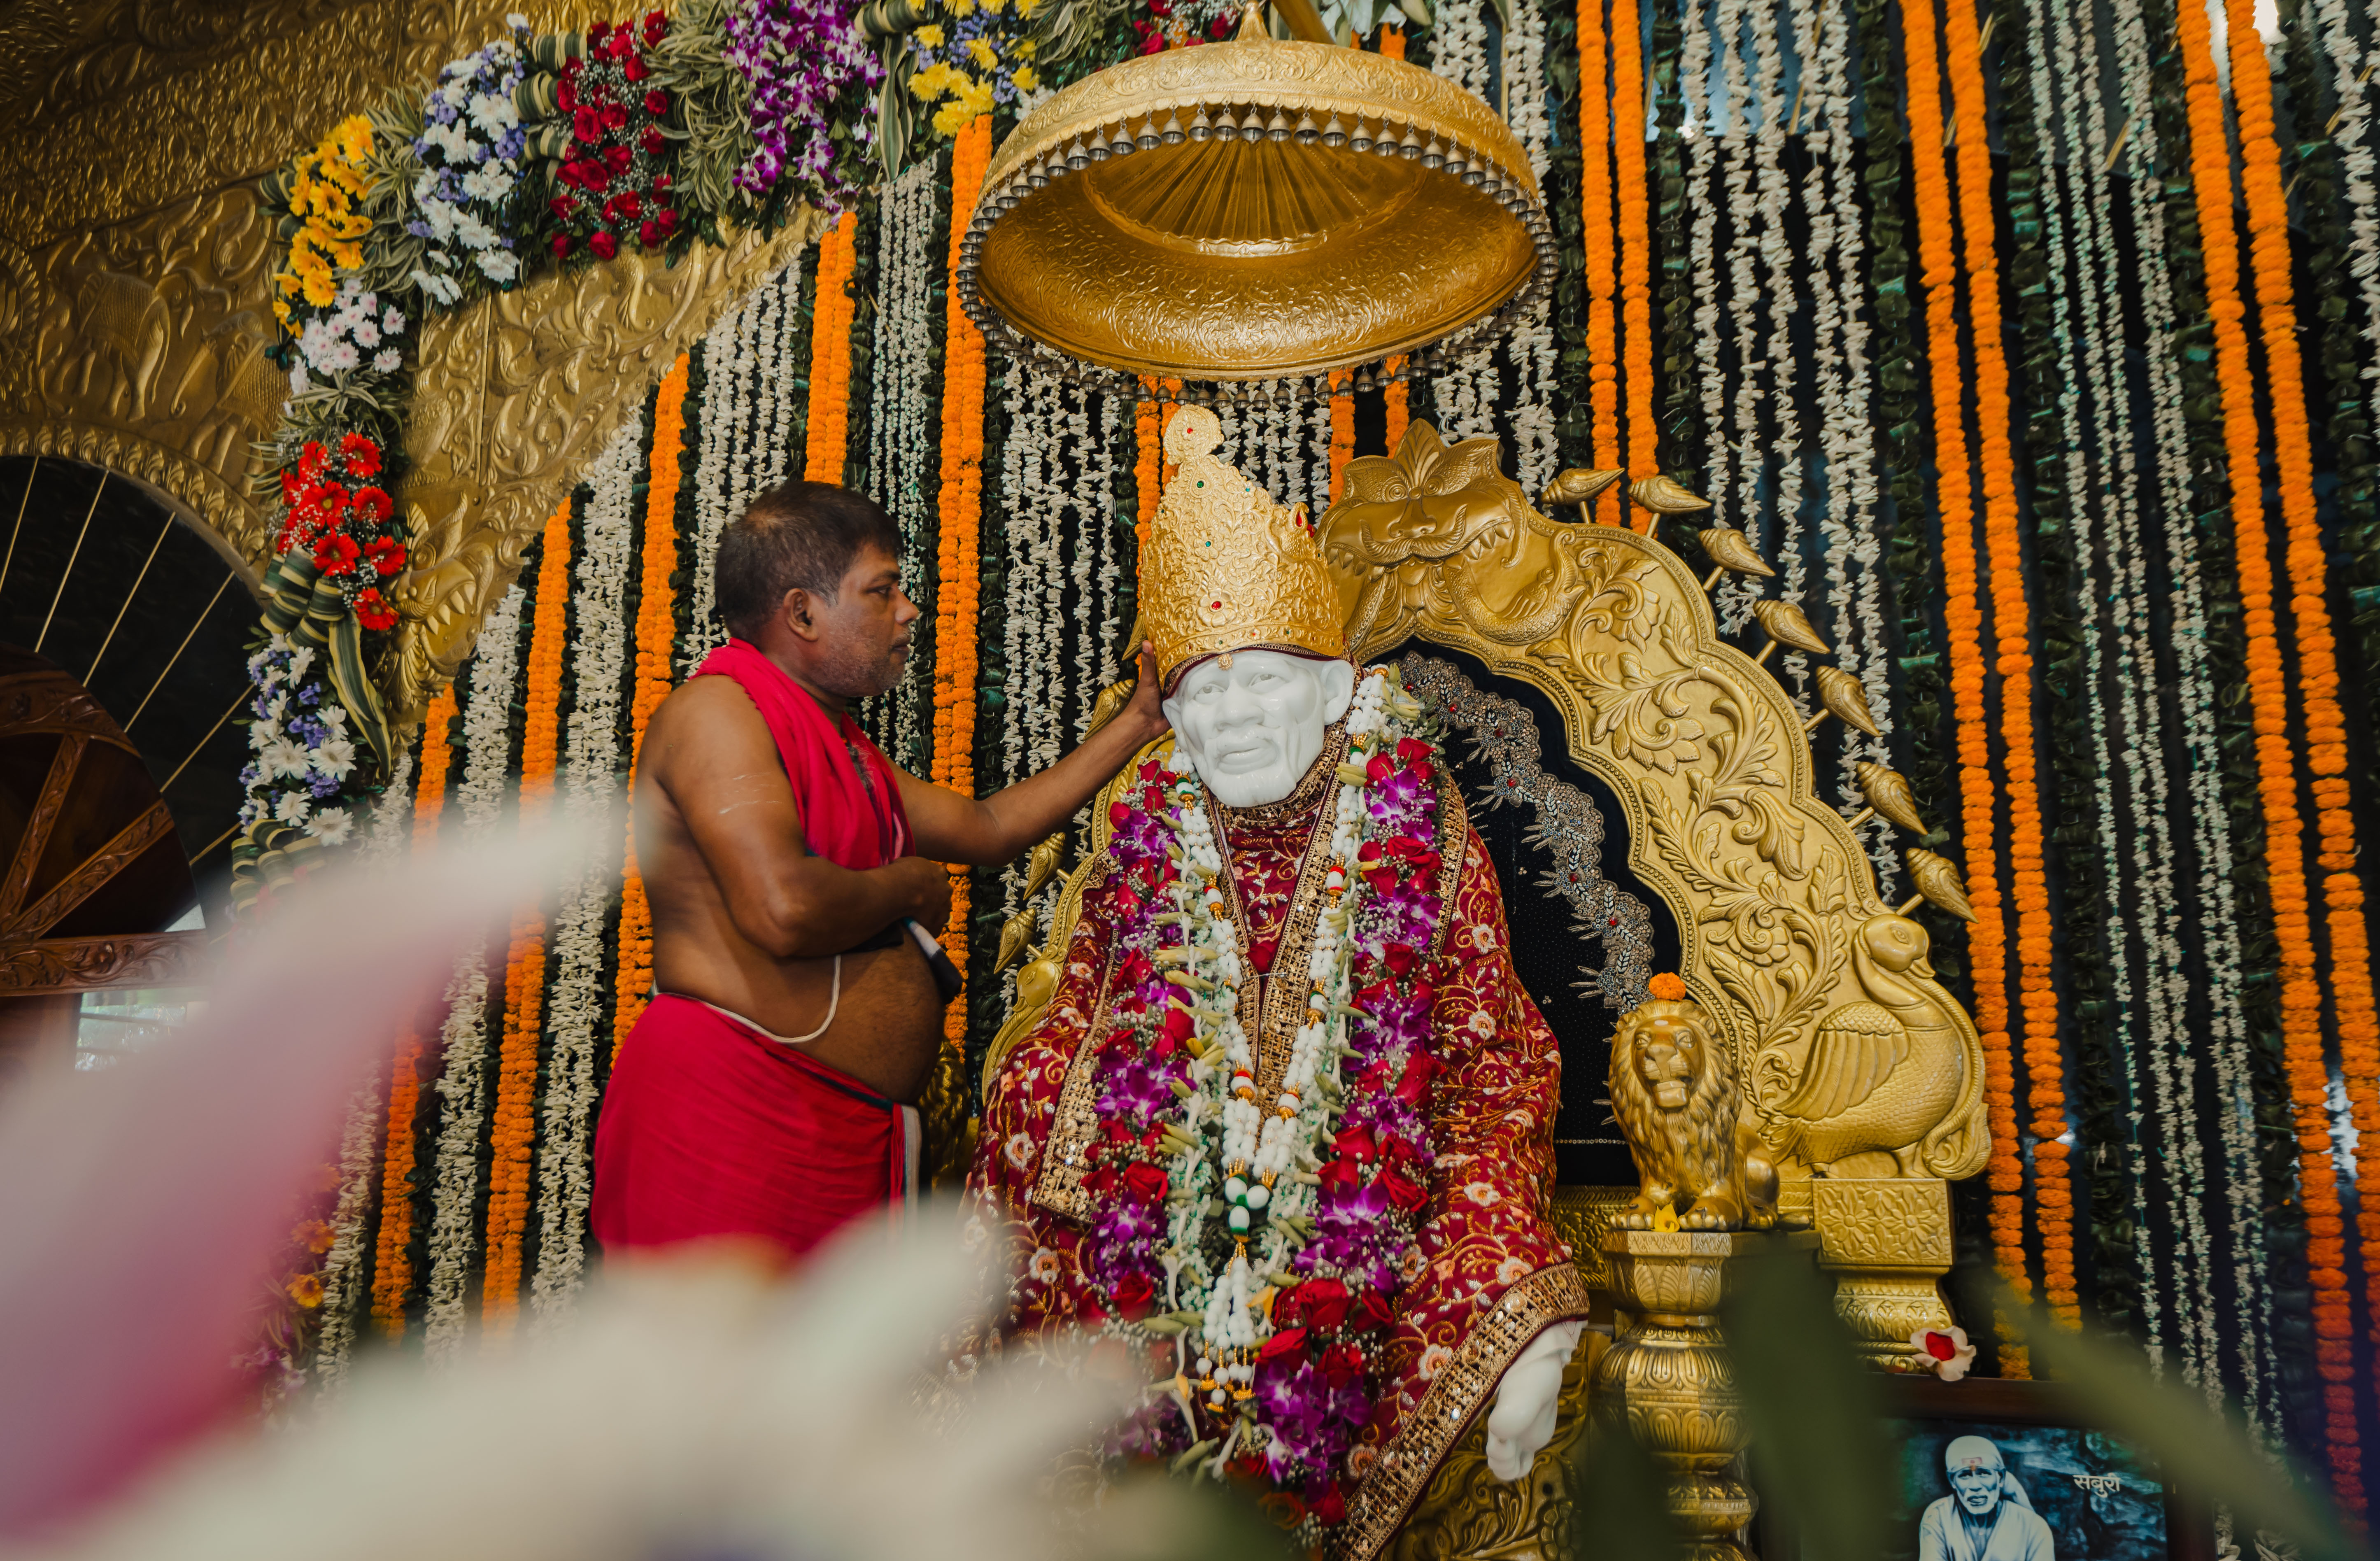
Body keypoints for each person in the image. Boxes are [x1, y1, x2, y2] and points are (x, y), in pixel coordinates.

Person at [966, 408, 1589, 1559]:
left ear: (1338, 690)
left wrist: (1513, 1281)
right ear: (1171, 720)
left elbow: (1485, 1061)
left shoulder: (1413, 824)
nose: (1235, 715)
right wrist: (1120, 1141)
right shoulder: (1147, 826)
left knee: (1455, 1248)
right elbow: (1074, 1027)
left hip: (1370, 1212)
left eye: (1261, 680)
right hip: (1154, 1213)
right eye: (1202, 691)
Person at [590, 480, 1168, 1262]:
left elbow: (990, 828)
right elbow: (783, 908)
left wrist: (1138, 722)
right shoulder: (717, 715)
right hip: (733, 1112)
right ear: (802, 613)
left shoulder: (841, 744)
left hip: (843, 1129)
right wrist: (913, 886)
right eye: (882, 590)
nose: (908, 610)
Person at [1919, 1435, 2056, 1561]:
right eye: (1965, 1475)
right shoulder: (1938, 1515)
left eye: (1984, 1473)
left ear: (2001, 1477)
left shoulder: (2034, 1526)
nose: (1975, 1486)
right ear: (1952, 1481)